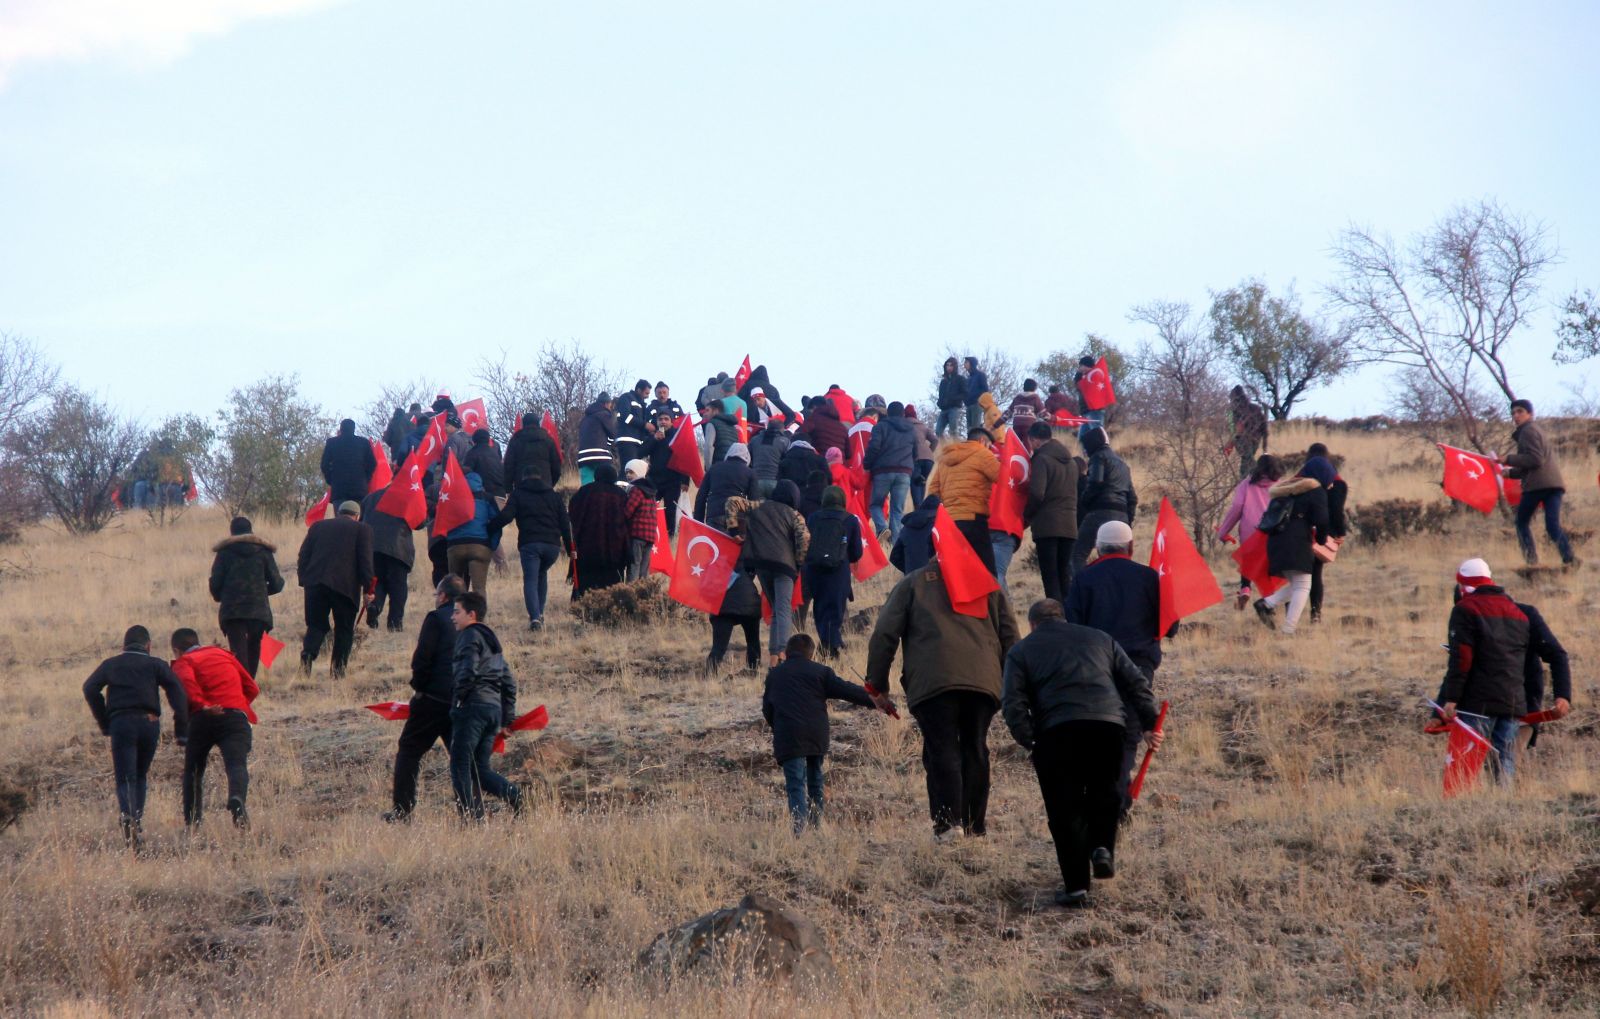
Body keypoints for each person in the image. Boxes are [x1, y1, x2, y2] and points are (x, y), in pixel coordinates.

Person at [1001, 598, 1162, 908]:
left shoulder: (1021, 651)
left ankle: (1076, 887)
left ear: (1032, 624)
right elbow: (1136, 683)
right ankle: (1102, 847)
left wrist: (1030, 740)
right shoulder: (1100, 638)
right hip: (1108, 726)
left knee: (1065, 809)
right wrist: (1149, 724)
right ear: (1064, 618)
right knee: (1104, 792)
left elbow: (1012, 703)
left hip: (1056, 731)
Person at [865, 557, 1020, 841]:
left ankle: (949, 824)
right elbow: (1011, 637)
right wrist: (1013, 686)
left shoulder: (913, 582)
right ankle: (975, 827)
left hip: (932, 682)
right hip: (984, 683)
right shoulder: (989, 585)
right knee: (975, 747)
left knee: (941, 748)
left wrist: (877, 686)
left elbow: (884, 634)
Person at [1064, 520, 1164, 813]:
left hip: (1096, 667)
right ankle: (1117, 803)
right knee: (1128, 735)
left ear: (1097, 547)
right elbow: (1168, 625)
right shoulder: (1149, 577)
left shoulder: (1084, 579)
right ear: (1131, 547)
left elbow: (1073, 625)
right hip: (1139, 668)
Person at [763, 633, 883, 833]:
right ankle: (815, 827)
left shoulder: (774, 675)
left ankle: (799, 833)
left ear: (787, 652)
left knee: (795, 786)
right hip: (816, 734)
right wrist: (878, 701)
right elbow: (848, 690)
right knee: (816, 782)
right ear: (811, 653)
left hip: (789, 736)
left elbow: (767, 708)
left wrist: (777, 726)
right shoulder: (821, 672)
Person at [83, 626, 190, 847]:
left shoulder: (111, 664)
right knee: (140, 775)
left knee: (125, 777)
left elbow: (89, 688)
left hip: (121, 723)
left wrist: (105, 723)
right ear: (148, 646)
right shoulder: (156, 664)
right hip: (149, 722)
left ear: (123, 646)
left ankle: (128, 816)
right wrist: (181, 729)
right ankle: (136, 822)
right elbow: (177, 690)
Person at [1435, 559, 1530, 784]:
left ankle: (1460, 812)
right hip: (1513, 700)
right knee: (1505, 762)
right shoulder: (1517, 612)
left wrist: (1451, 699)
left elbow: (1462, 658)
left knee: (1462, 767)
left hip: (1477, 703)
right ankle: (1504, 809)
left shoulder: (1465, 610)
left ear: (1463, 586)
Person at [386, 575, 464, 821]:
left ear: (442, 596)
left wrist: (419, 688)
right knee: (461, 757)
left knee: (409, 751)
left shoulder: (436, 618)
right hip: (461, 700)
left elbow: (422, 658)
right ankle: (471, 810)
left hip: (432, 699)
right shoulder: (472, 620)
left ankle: (402, 810)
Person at [170, 628, 257, 829]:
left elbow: (186, 685)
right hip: (235, 716)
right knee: (236, 764)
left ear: (177, 650)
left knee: (193, 771)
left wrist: (203, 706)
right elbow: (252, 687)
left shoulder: (184, 662)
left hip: (203, 719)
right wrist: (238, 705)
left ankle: (193, 822)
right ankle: (237, 797)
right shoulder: (223, 654)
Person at [448, 592, 522, 820]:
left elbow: (467, 670)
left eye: (457, 611)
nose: (452, 617)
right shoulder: (492, 642)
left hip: (472, 709)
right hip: (492, 712)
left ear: (472, 614)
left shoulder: (468, 636)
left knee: (459, 765)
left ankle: (471, 820)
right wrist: (507, 719)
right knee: (480, 770)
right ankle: (517, 798)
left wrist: (459, 699)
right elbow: (509, 682)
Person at [1253, 456, 1333, 636]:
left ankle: (1266, 604)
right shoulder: (1315, 490)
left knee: (1298, 584)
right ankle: (1288, 630)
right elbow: (1322, 519)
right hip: (1296, 541)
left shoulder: (1284, 490)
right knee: (1304, 585)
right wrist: (1321, 540)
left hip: (1276, 540)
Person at [490, 464, 572, 629]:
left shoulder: (518, 494)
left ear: (523, 478)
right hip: (552, 546)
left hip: (530, 544)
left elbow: (506, 516)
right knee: (542, 574)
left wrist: (490, 527)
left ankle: (535, 618)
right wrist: (570, 548)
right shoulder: (553, 495)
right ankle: (540, 614)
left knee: (531, 579)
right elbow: (565, 522)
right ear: (540, 477)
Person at [298, 501, 374, 676]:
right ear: (357, 516)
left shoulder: (317, 527)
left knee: (316, 625)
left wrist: (305, 580)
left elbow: (303, 555)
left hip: (315, 584)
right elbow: (366, 563)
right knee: (344, 629)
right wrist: (369, 590)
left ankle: (308, 655)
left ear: (338, 513)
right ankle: (338, 672)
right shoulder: (362, 529)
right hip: (345, 588)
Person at [743, 480, 810, 668]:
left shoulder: (759, 508)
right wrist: (799, 560)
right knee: (783, 610)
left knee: (775, 611)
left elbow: (732, 503)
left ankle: (774, 656)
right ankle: (782, 653)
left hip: (761, 566)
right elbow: (804, 537)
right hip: (784, 567)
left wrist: (734, 529)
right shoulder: (793, 514)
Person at [208, 516, 285, 677]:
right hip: (258, 610)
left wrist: (222, 596)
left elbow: (215, 584)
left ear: (232, 532)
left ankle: (243, 688)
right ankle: (250, 686)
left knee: (237, 651)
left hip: (232, 610)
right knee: (254, 647)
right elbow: (277, 584)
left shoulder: (224, 553)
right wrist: (261, 592)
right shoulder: (264, 552)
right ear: (251, 530)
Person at [1505, 399, 1578, 568]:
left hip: (1537, 486)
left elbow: (1535, 460)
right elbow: (1533, 464)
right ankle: (1570, 559)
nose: (1516, 416)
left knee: (1521, 522)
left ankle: (1531, 562)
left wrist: (1507, 459)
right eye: (1513, 413)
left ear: (1530, 414)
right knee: (1552, 526)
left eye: (1520, 411)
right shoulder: (1537, 430)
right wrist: (1509, 473)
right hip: (1554, 485)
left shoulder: (1527, 431)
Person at [927, 427, 1001, 575]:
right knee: (988, 573)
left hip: (950, 522)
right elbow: (1002, 477)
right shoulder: (983, 454)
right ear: (982, 441)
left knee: (956, 572)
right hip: (974, 519)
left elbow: (933, 491)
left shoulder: (946, 458)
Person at [804, 485, 864, 657]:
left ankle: (828, 645)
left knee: (820, 609)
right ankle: (833, 646)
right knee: (836, 610)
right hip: (838, 572)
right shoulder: (850, 520)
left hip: (815, 570)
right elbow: (857, 552)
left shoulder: (814, 518)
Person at [1217, 455, 1284, 610]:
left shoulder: (1246, 484)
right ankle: (1268, 600)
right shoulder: (1280, 486)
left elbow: (1237, 507)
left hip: (1250, 530)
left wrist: (1223, 531)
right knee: (1267, 567)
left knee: (1249, 562)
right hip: (1272, 531)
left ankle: (1245, 588)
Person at [1070, 426, 1136, 582]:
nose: (1085, 452)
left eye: (1085, 447)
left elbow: (1096, 482)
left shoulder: (1098, 457)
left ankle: (1084, 590)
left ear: (1091, 444)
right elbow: (1132, 498)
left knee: (1077, 555)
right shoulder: (1123, 464)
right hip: (1122, 516)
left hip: (1100, 512)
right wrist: (1128, 522)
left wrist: (1085, 502)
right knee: (1118, 559)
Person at [1024, 419, 1080, 603]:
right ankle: (1070, 619)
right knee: (1065, 577)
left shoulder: (1041, 459)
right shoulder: (1071, 462)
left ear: (1035, 440)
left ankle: (1056, 621)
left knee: (1051, 579)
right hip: (1070, 526)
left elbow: (1037, 493)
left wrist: (1026, 516)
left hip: (1047, 527)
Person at [1516, 595, 1571, 751]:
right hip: (1479, 710)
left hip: (1523, 707)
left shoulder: (1525, 615)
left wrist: (1562, 696)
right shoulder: (1467, 618)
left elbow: (1557, 655)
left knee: (1508, 762)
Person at [361, 483, 418, 632]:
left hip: (373, 548)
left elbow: (361, 522)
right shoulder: (406, 498)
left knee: (378, 582)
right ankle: (394, 623)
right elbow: (419, 522)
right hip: (398, 549)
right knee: (398, 586)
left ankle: (375, 606)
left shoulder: (370, 498)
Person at [569, 462, 631, 597]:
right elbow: (628, 517)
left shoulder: (584, 491)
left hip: (587, 545)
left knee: (587, 582)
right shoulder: (620, 494)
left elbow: (572, 511)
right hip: (614, 548)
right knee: (612, 585)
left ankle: (585, 607)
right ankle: (610, 608)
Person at [1305, 443, 1349, 623]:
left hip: (1300, 531)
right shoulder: (1338, 483)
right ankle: (1315, 614)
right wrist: (1340, 533)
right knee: (1316, 574)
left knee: (1296, 575)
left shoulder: (1302, 479)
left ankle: (1289, 612)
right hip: (1324, 533)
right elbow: (1337, 511)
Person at [864, 401, 917, 543]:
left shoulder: (880, 426)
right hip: (904, 472)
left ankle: (882, 528)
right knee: (897, 510)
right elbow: (916, 452)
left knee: (875, 504)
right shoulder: (911, 429)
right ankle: (894, 545)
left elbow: (874, 447)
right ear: (903, 413)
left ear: (888, 412)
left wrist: (867, 464)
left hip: (883, 471)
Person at [445, 472, 501, 598]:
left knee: (455, 589)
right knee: (479, 588)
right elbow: (497, 522)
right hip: (480, 545)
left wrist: (449, 541)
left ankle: (455, 615)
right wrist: (491, 545)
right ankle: (478, 616)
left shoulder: (451, 498)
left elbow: (443, 520)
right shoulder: (487, 497)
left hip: (456, 546)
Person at [707, 567, 764, 673]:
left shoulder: (716, 555)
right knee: (753, 641)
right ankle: (753, 671)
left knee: (718, 647)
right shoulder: (748, 552)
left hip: (722, 604)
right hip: (748, 600)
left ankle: (709, 677)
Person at [645, 411, 690, 538]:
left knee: (670, 511)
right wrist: (654, 440)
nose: (663, 421)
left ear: (671, 421)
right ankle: (653, 537)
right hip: (654, 480)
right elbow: (641, 452)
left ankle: (670, 537)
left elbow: (685, 457)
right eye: (660, 419)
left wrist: (686, 480)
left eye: (666, 419)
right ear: (657, 421)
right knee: (651, 510)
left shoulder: (678, 435)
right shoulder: (652, 436)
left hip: (673, 480)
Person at [694, 442, 758, 531]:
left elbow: (701, 496)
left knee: (715, 544)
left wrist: (698, 522)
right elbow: (754, 501)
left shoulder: (714, 468)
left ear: (729, 454)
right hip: (737, 517)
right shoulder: (750, 473)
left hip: (714, 515)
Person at [320, 418, 377, 506]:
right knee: (358, 517)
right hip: (359, 489)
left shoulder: (332, 443)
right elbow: (372, 464)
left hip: (339, 489)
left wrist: (331, 480)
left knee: (341, 517)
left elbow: (324, 465)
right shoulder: (364, 443)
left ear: (341, 428)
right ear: (354, 429)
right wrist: (366, 479)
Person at [622, 459, 659, 582]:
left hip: (637, 534)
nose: (628, 475)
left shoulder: (636, 490)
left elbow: (628, 511)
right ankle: (644, 596)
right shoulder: (651, 491)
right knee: (644, 570)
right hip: (650, 536)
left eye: (631, 472)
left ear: (638, 472)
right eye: (626, 472)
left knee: (634, 565)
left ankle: (630, 594)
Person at [503, 412, 562, 488]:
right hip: (545, 488)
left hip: (521, 489)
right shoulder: (548, 440)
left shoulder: (515, 440)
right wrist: (550, 485)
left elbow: (508, 466)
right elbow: (556, 467)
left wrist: (508, 488)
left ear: (523, 424)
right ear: (538, 424)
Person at [1224, 386, 1270, 480]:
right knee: (1247, 460)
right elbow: (1264, 426)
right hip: (1256, 440)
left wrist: (1229, 445)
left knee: (1247, 460)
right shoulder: (1255, 408)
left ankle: (1256, 478)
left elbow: (1235, 430)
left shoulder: (1232, 411)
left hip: (1242, 440)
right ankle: (1249, 481)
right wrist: (1264, 443)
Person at [890, 494, 941, 574]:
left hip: (913, 579)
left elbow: (894, 556)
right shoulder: (940, 525)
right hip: (935, 578)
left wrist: (909, 571)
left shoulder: (907, 527)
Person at [576, 392, 618, 485]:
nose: (610, 408)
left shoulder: (584, 419)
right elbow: (613, 434)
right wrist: (610, 448)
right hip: (600, 455)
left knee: (586, 488)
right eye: (610, 405)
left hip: (583, 457)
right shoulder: (604, 414)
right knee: (607, 485)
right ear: (606, 404)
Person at [800, 395, 850, 464]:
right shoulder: (842, 427)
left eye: (811, 411)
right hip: (839, 468)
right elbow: (848, 454)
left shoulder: (814, 419)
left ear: (814, 407)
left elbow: (799, 436)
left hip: (820, 466)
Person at [903, 405, 937, 508]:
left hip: (915, 459)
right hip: (929, 460)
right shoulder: (923, 426)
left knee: (914, 484)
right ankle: (921, 509)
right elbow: (935, 440)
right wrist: (930, 451)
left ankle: (918, 510)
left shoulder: (904, 425)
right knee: (922, 483)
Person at [749, 418, 792, 498]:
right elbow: (788, 463)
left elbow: (748, 459)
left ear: (767, 427)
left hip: (756, 482)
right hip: (775, 482)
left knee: (758, 509)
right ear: (782, 429)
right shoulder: (785, 442)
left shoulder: (754, 440)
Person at [616, 379, 653, 465]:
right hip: (627, 440)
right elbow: (626, 417)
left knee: (634, 470)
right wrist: (645, 425)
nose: (647, 396)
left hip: (637, 442)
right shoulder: (626, 398)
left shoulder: (642, 405)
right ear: (639, 390)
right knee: (628, 469)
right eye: (646, 393)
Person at [461, 429, 506, 499]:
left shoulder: (473, 453)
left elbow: (467, 473)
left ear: (474, 439)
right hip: (500, 493)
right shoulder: (495, 454)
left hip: (483, 494)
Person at [1071, 357, 1106, 440]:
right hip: (1086, 411)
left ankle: (1102, 452)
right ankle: (1087, 453)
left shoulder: (1095, 375)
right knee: (1082, 438)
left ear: (1085, 365)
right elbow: (1078, 386)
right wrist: (1079, 374)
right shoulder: (1084, 377)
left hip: (1094, 410)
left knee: (1098, 435)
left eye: (1081, 365)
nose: (1080, 368)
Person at [934, 357, 966, 441]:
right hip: (944, 409)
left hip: (954, 408)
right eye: (947, 365)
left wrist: (955, 399)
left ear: (954, 366)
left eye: (951, 365)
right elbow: (940, 395)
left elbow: (965, 393)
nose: (949, 367)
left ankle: (955, 448)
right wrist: (939, 403)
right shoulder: (943, 381)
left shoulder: (960, 379)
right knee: (938, 431)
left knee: (953, 431)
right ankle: (945, 447)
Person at [698, 402, 740, 466]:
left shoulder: (712, 423)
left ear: (716, 411)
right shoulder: (733, 427)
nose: (705, 414)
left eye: (707, 410)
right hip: (733, 466)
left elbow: (709, 447)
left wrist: (708, 467)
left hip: (718, 466)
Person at [962, 356, 989, 433]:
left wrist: (977, 399)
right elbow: (965, 392)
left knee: (975, 428)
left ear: (972, 363)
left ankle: (976, 444)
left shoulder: (980, 375)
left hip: (977, 405)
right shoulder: (968, 378)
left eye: (966, 362)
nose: (964, 364)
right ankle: (970, 444)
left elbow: (985, 390)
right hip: (969, 405)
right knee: (969, 429)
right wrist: (965, 400)